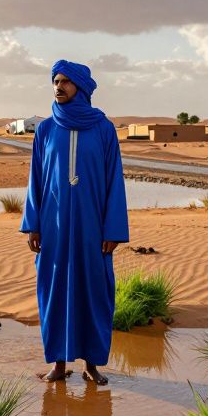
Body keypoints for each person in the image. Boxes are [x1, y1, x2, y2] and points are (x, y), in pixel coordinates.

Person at [21, 60, 129, 385]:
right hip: (54, 231)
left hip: (93, 230)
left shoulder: (104, 129)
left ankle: (92, 365)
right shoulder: (45, 129)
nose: (58, 86)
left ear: (80, 87)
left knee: (95, 293)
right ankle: (58, 364)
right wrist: (33, 224)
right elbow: (35, 179)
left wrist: (112, 229)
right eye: (55, 81)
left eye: (66, 81)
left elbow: (115, 181)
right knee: (54, 294)